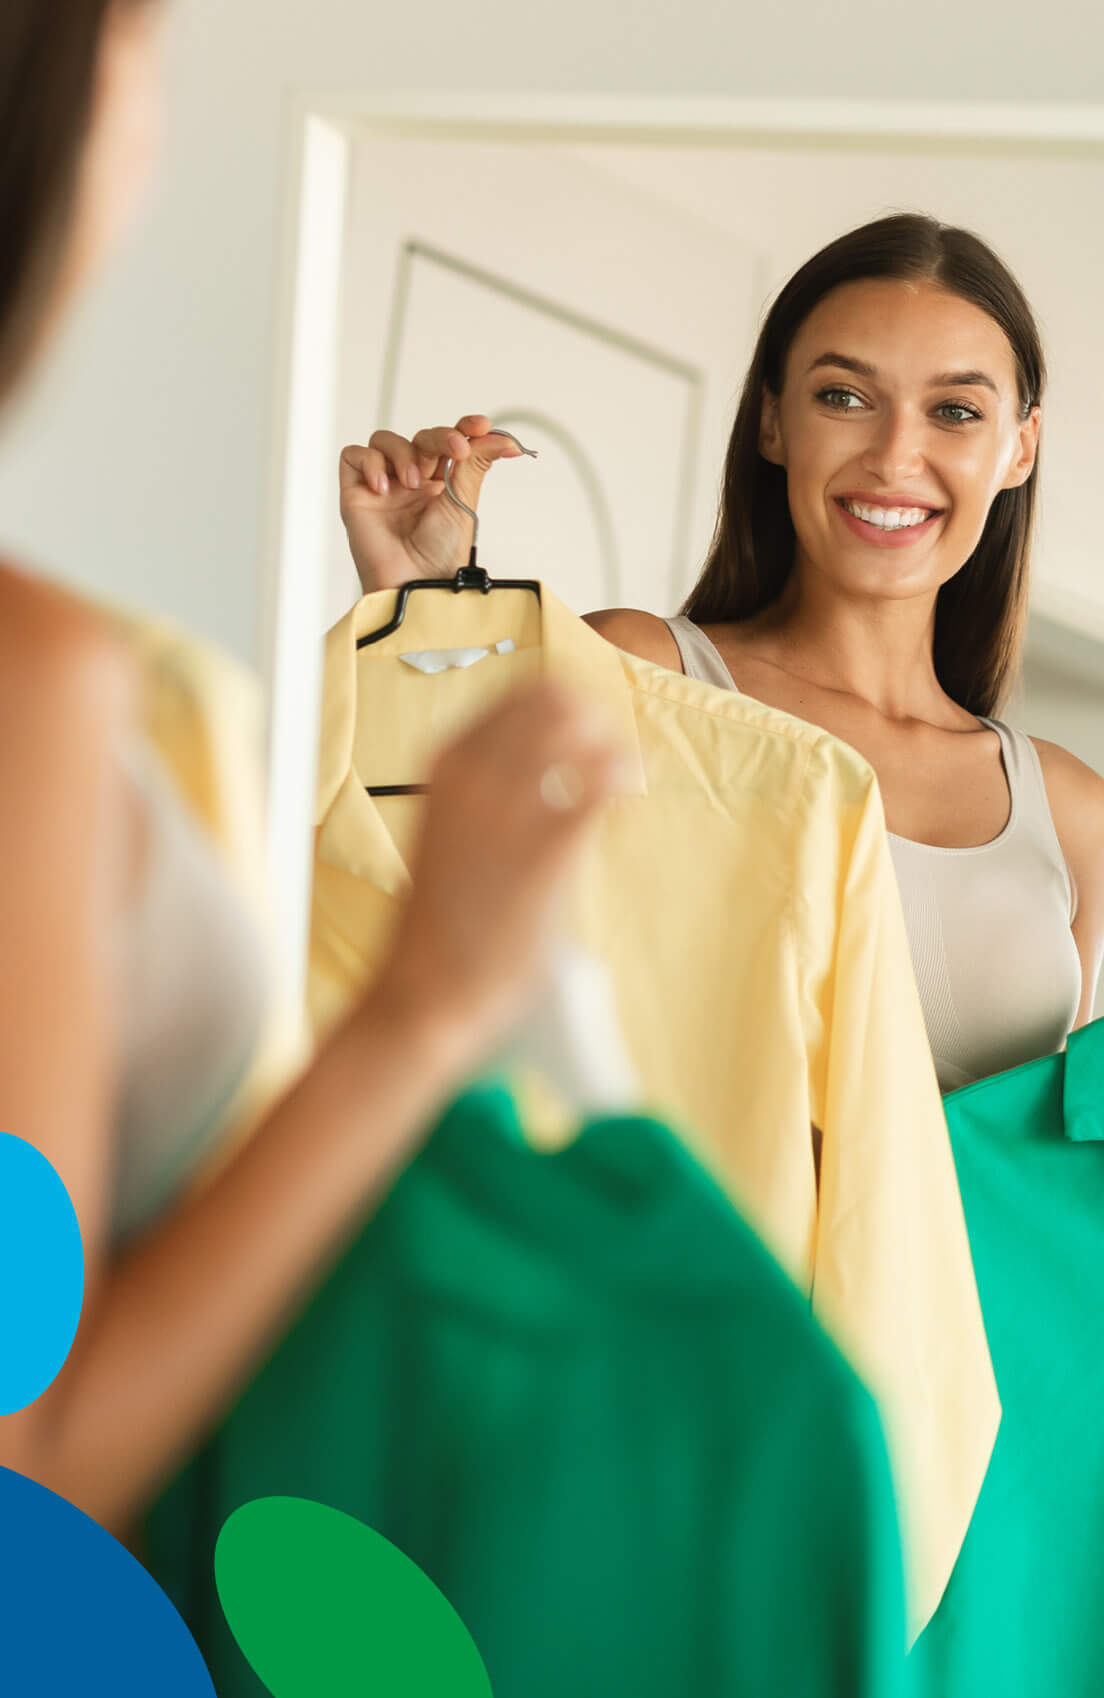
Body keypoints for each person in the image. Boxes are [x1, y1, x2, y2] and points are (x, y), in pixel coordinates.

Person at [0, 0, 627, 1538]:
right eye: (143, 47)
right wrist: (422, 1011)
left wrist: (411, 604)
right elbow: (28, 1459)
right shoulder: (31, 680)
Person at [340, 215, 1104, 1093]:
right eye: (844, 396)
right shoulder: (638, 671)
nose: (894, 456)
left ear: (1019, 450)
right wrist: (418, 608)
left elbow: (1042, 1164)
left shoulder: (1071, 810)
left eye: (955, 411)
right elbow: (434, 940)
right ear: (773, 422)